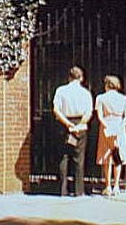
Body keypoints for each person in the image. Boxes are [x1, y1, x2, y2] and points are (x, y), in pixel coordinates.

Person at [53, 66, 93, 196]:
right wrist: (79, 125)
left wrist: (68, 124)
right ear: (81, 78)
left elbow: (56, 110)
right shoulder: (86, 93)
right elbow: (89, 112)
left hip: (64, 125)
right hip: (80, 124)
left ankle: (62, 190)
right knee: (78, 158)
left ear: (69, 77)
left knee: (63, 157)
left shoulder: (61, 91)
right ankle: (78, 190)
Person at [95, 75, 126, 196]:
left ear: (107, 85)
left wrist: (107, 126)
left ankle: (108, 186)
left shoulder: (100, 98)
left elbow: (100, 116)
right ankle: (116, 186)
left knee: (107, 158)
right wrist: (121, 127)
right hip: (119, 126)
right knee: (117, 156)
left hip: (106, 127)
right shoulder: (124, 99)